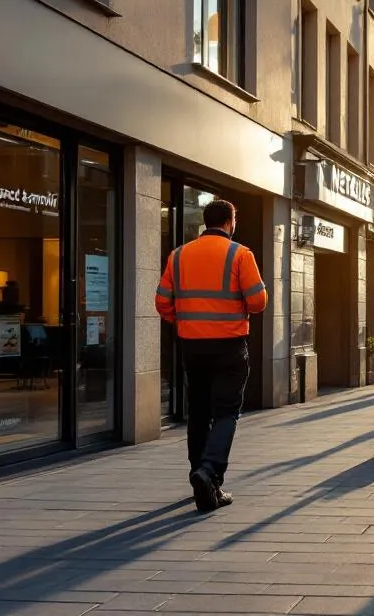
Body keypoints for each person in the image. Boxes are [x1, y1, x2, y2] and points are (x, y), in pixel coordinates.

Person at [155, 199, 267, 513]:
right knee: (227, 412)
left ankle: (199, 475)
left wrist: (184, 321)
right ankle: (209, 473)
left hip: (192, 346)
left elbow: (162, 301)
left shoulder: (178, 255)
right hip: (229, 345)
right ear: (232, 221)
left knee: (199, 412)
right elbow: (257, 302)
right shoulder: (240, 254)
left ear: (206, 222)